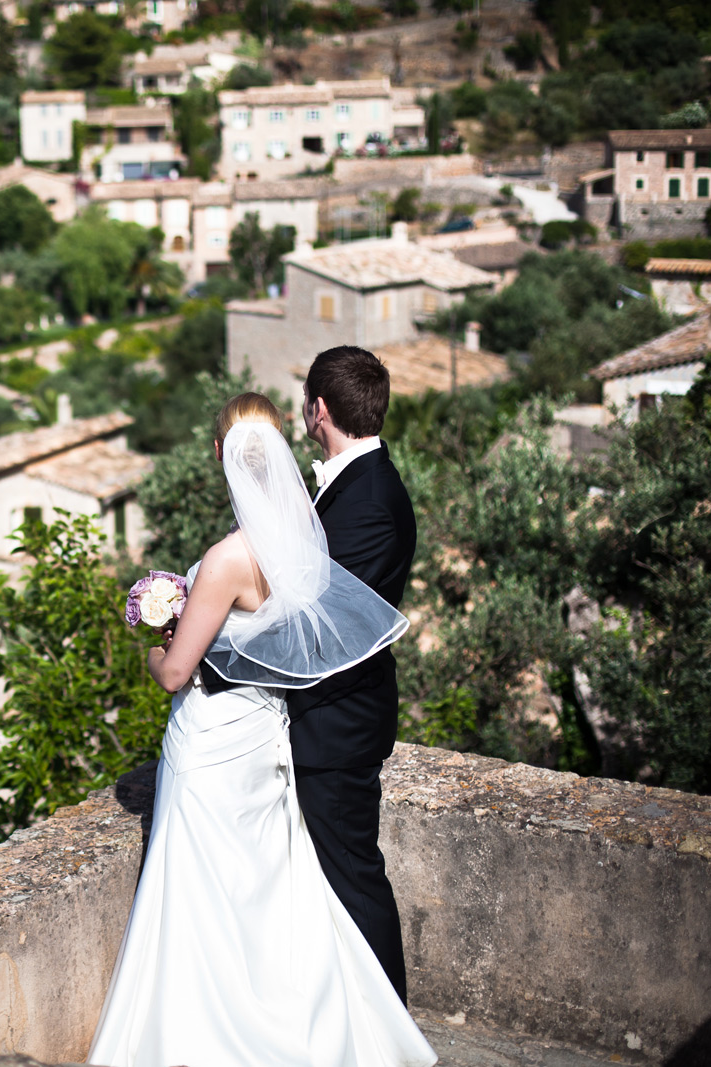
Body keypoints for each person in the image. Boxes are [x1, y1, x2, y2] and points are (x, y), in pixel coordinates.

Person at [88, 392, 433, 1067]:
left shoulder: (226, 558)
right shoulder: (303, 547)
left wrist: (157, 643)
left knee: (201, 891)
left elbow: (175, 672)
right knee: (264, 886)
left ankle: (213, 1032)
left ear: (220, 455)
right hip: (265, 734)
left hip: (212, 739)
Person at [291, 346, 418, 1003]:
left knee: (354, 877)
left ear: (320, 409)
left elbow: (324, 619)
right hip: (323, 719)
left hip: (337, 722)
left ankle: (388, 1026)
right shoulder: (354, 483)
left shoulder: (369, 499)